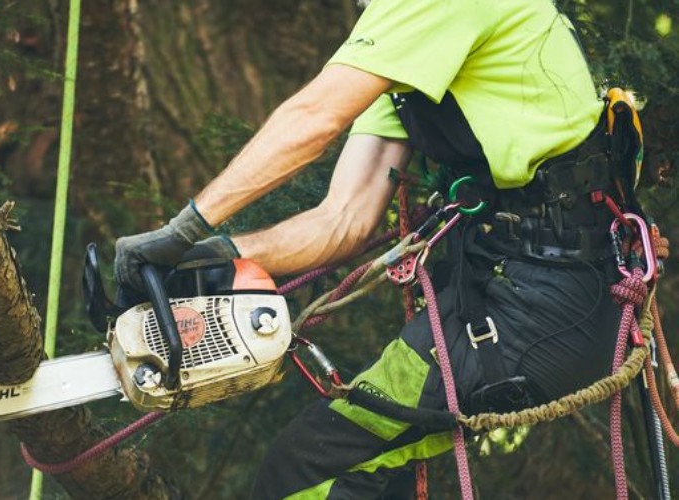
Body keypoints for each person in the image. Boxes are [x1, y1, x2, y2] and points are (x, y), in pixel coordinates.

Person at [114, 0, 634, 497]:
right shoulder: (411, 56)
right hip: (510, 292)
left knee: (305, 470)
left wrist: (182, 227)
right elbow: (343, 218)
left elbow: (316, 118)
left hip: (544, 305)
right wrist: (208, 255)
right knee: (375, 475)